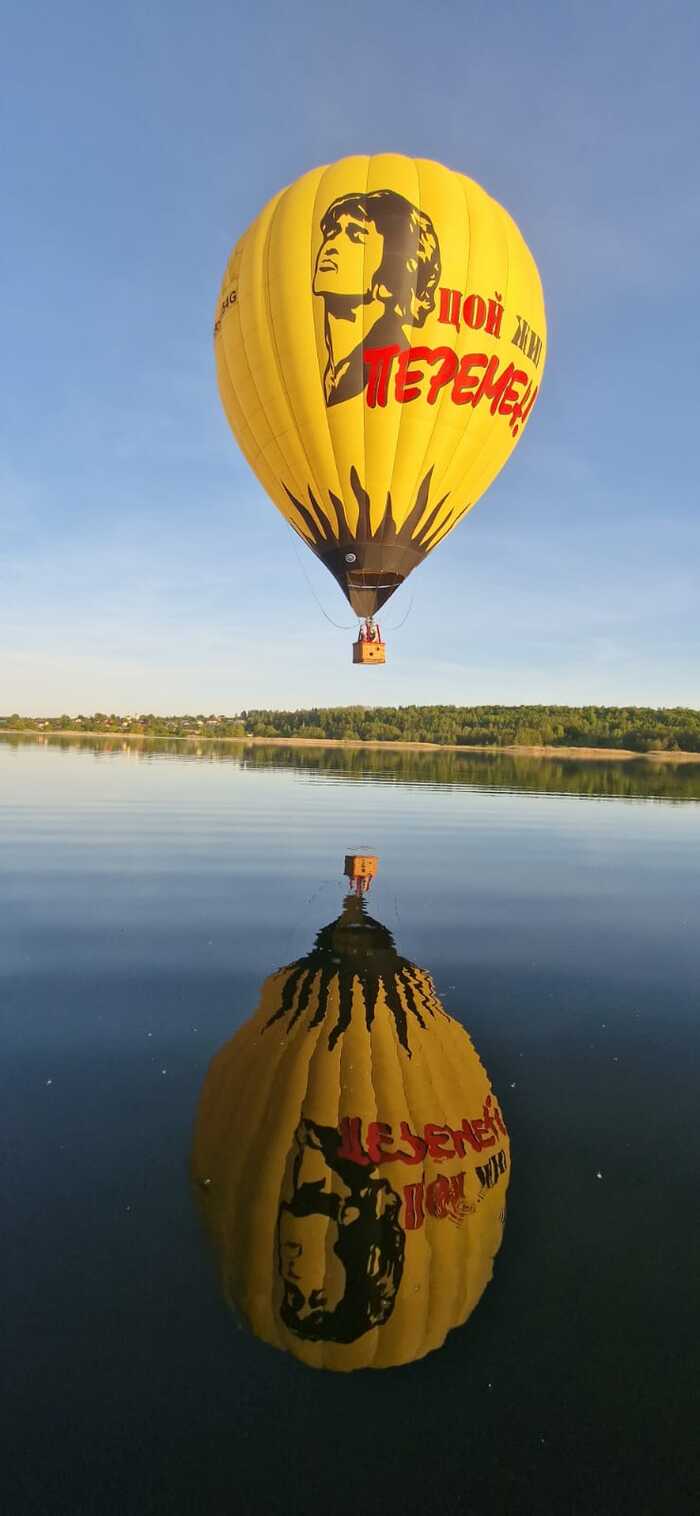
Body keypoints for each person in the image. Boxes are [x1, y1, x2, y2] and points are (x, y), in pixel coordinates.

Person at [312, 189, 441, 407]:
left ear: (395, 269)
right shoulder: (323, 372)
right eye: (332, 232)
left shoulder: (400, 365)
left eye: (356, 235)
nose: (331, 246)